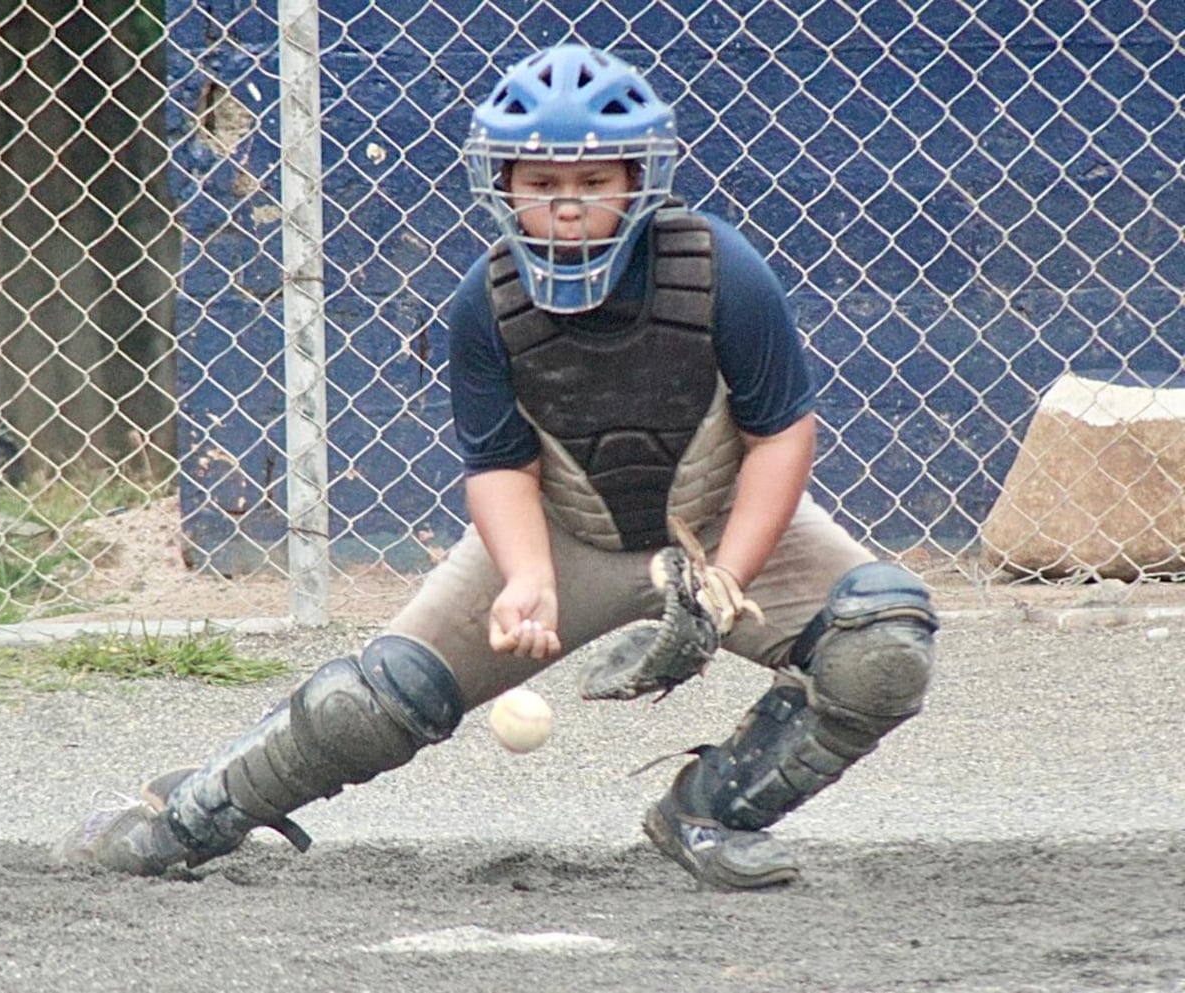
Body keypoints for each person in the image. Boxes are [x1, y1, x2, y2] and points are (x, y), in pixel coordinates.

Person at [55, 44, 938, 890]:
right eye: (541, 182)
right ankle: (194, 812)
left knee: (883, 643)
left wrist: (724, 582)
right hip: (561, 534)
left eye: (594, 181)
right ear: (502, 185)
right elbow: (500, 463)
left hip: (716, 528)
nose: (566, 204)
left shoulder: (722, 270)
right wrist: (525, 579)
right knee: (371, 702)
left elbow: (782, 435)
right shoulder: (485, 302)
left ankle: (711, 813)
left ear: (640, 179)